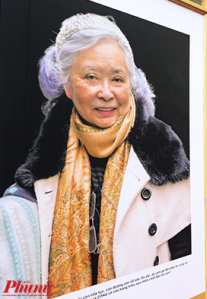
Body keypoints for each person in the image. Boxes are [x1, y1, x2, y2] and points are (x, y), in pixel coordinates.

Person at [0, 14, 191, 297]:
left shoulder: (165, 160)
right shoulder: (32, 187)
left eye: (117, 79)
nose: (106, 92)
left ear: (130, 84)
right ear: (68, 86)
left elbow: (186, 260)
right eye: (91, 77)